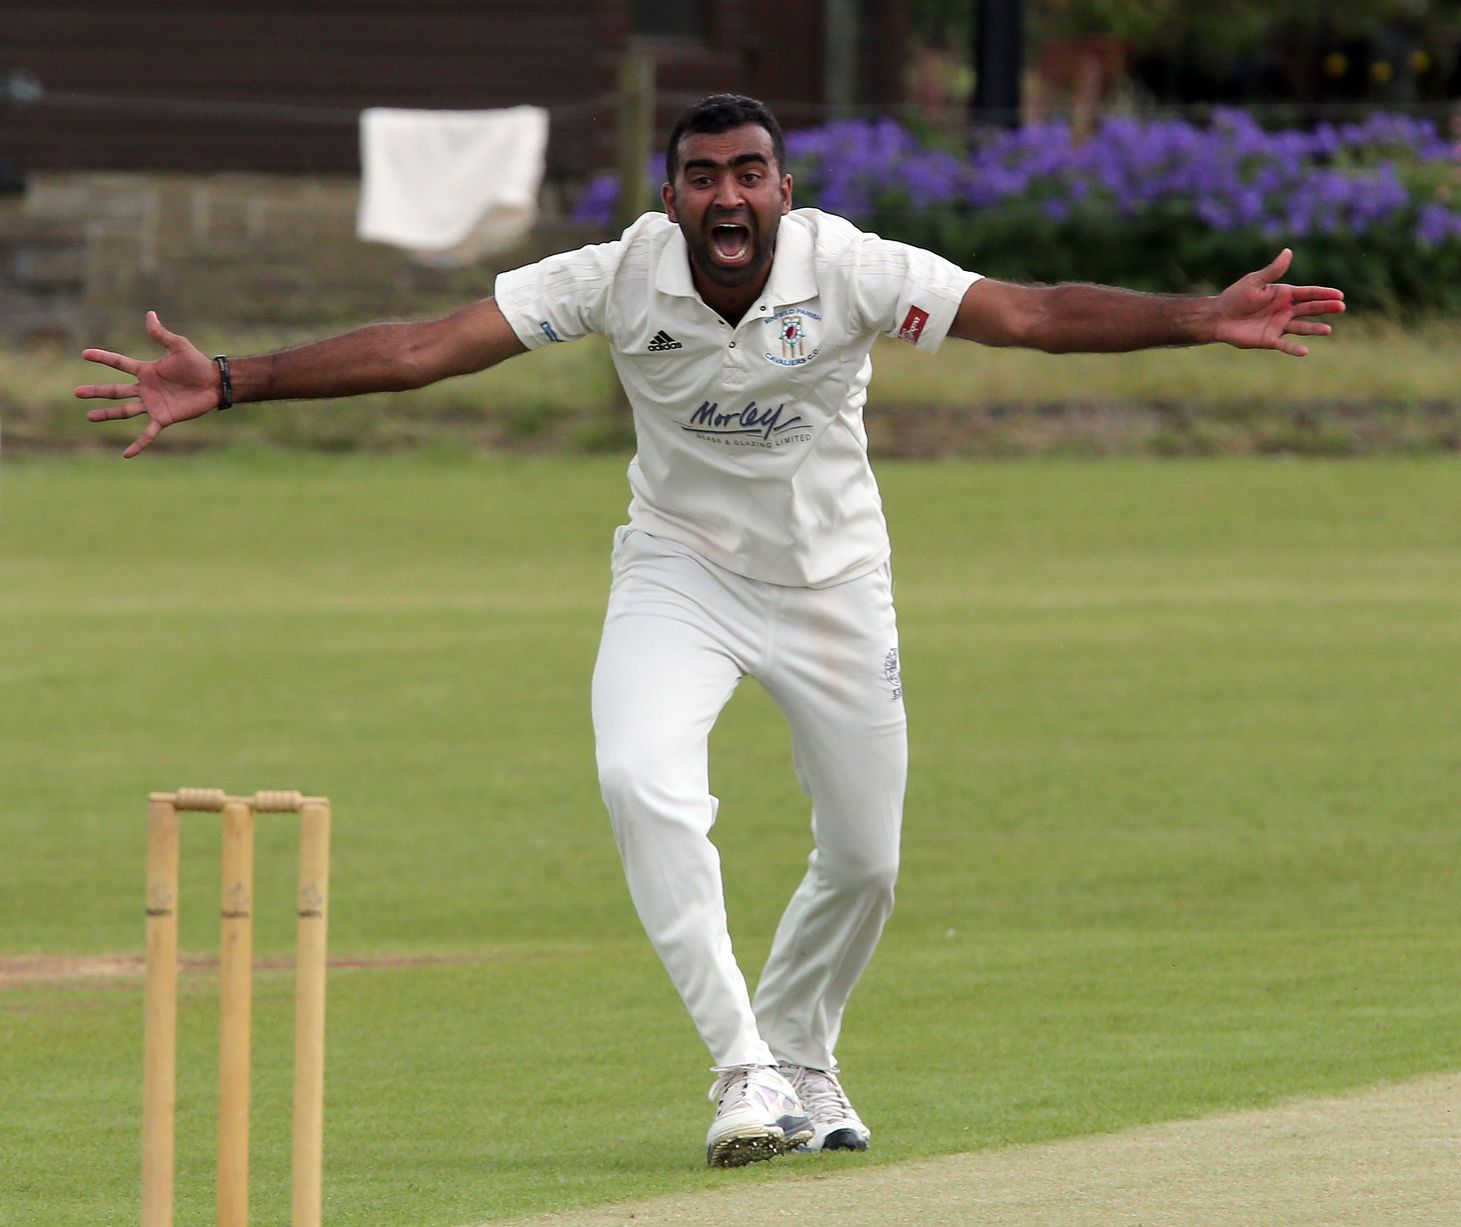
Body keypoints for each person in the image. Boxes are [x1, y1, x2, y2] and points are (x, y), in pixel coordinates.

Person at [78, 93, 1344, 1168]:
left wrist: (1196, 317)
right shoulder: (616, 275)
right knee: (640, 777)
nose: (726, 197)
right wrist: (234, 379)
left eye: (749, 174)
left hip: (837, 584)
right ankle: (744, 1069)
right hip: (678, 576)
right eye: (701, 178)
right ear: (671, 198)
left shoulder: (851, 268)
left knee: (868, 862)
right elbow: (423, 347)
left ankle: (804, 1052)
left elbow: (1032, 314)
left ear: (784, 191)